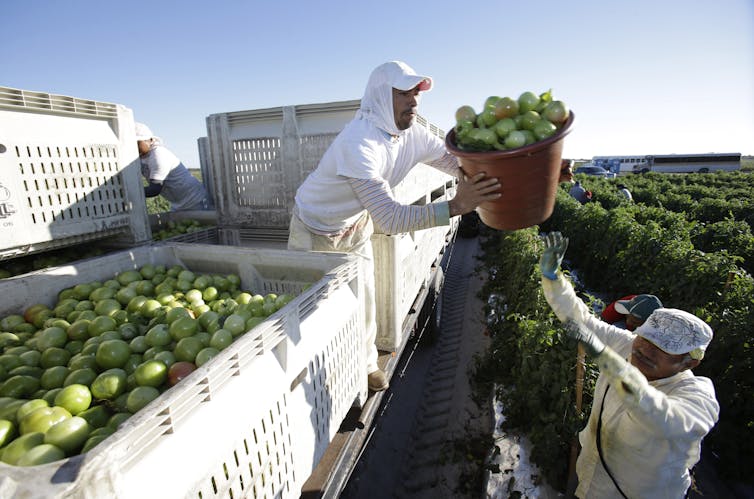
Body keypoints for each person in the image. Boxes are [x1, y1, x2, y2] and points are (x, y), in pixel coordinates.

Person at [287, 61, 501, 392]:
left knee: (364, 302)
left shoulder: (412, 135)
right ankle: (313, 382)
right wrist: (457, 205)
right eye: (403, 93)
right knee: (312, 312)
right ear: (380, 97)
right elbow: (388, 218)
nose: (414, 101)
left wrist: (508, 175)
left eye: (415, 92)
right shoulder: (359, 143)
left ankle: (367, 364)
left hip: (354, 226)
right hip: (313, 228)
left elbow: (455, 165)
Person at [539, 232, 719, 498]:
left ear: (689, 362)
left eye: (663, 348)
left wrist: (613, 365)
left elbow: (664, 420)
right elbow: (582, 321)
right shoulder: (628, 345)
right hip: (592, 478)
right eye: (646, 338)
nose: (646, 349)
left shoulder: (696, 396)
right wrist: (554, 280)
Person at [135, 122, 211, 211]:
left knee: (201, 224)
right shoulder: (140, 158)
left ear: (150, 140)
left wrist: (127, 194)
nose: (134, 146)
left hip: (196, 201)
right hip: (177, 204)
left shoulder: (158, 155)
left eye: (137, 142)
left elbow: (154, 189)